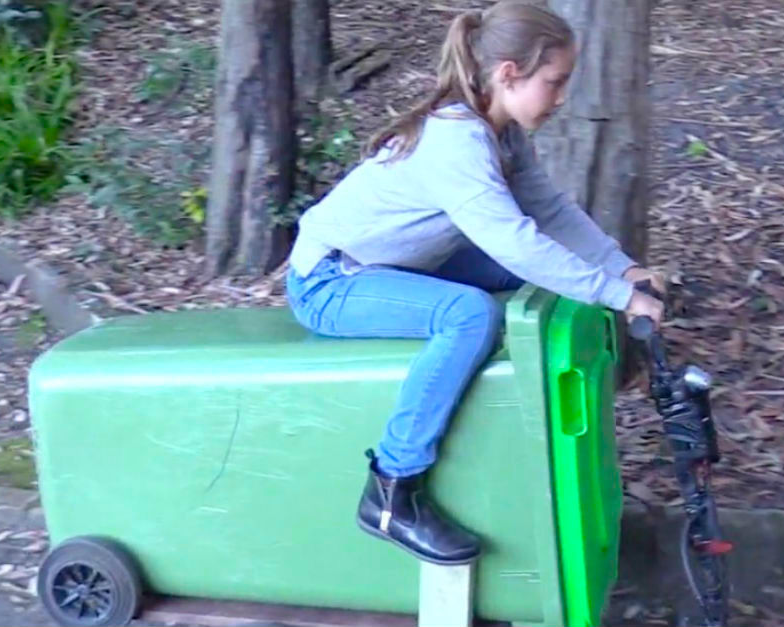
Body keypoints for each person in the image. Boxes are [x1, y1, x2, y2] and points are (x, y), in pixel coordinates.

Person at [283, 0, 665, 566]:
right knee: (468, 314)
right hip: (330, 280)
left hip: (398, 265)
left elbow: (550, 214)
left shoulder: (500, 131)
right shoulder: (456, 142)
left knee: (527, 273)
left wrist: (621, 268)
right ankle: (391, 491)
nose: (561, 98)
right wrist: (618, 295)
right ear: (508, 74)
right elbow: (515, 239)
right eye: (554, 82)